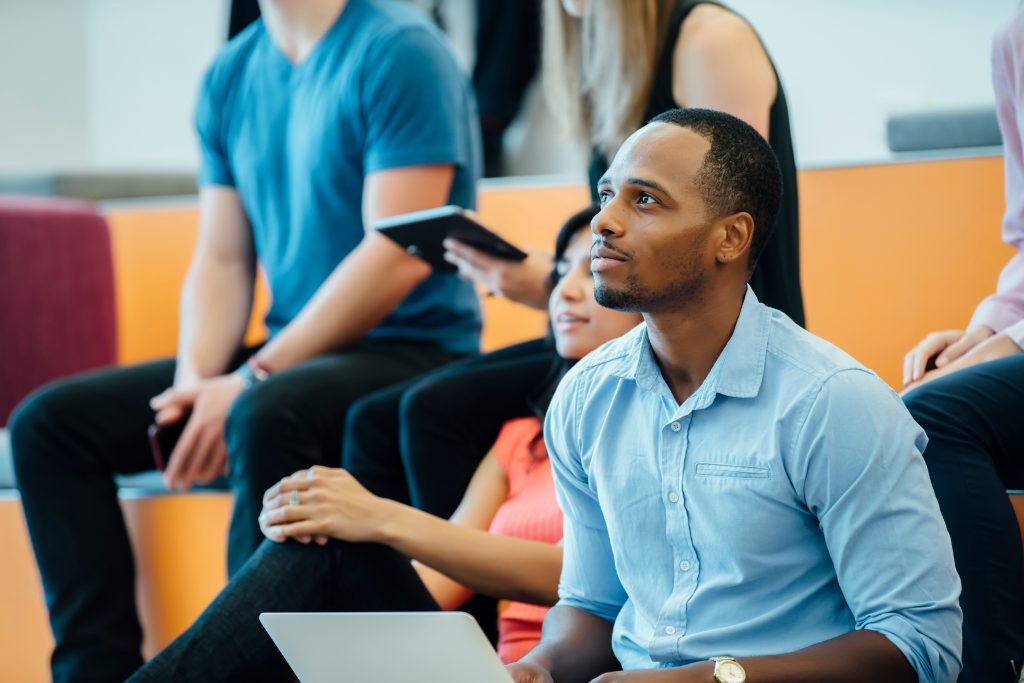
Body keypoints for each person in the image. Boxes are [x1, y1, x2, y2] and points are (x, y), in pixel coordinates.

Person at [10, 0, 481, 680]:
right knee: (50, 426)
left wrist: (251, 378)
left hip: (409, 348)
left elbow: (399, 251)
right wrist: (196, 384)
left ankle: (241, 669)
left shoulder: (401, 49)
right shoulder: (231, 74)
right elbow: (223, 258)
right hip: (288, 352)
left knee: (265, 408)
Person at [340, 0, 807, 570]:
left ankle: (463, 624)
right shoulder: (601, 62)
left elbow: (722, 242)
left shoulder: (709, 38)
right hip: (635, 325)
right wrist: (548, 278)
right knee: (378, 418)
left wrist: (551, 280)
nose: (606, 219)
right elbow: (633, 255)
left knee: (436, 412)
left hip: (715, 340)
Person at [507, 108, 962, 683]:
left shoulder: (832, 402)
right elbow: (592, 607)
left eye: (645, 200)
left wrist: (709, 678)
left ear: (730, 237)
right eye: (607, 195)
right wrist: (538, 667)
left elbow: (921, 646)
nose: (605, 222)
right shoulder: (584, 398)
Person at [125, 208, 643, 681]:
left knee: (344, 538)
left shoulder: (650, 434)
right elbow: (436, 586)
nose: (566, 291)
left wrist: (379, 518)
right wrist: (329, 533)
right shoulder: (520, 438)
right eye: (559, 272)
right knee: (324, 545)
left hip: (565, 672)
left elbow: (582, 578)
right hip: (496, 669)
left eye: (591, 270)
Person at [900, 9, 1024, 682]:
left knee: (936, 418)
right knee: (909, 410)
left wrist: (1008, 341)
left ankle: (996, 670)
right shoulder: (1016, 37)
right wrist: (983, 329)